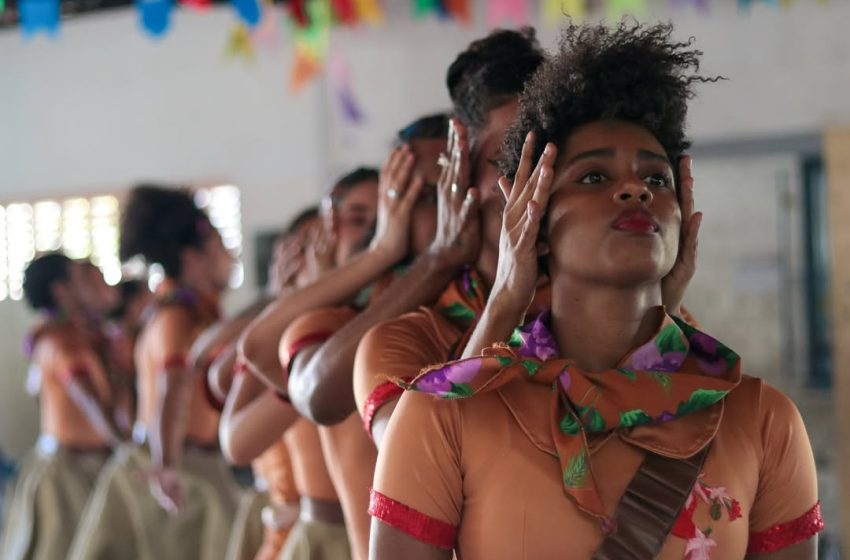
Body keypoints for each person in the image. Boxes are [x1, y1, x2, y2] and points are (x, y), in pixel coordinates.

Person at [369, 22, 822, 560]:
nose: (634, 189)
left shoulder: (761, 419)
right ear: (531, 224)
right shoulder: (443, 414)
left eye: (656, 179)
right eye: (592, 178)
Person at [68, 185, 240, 560]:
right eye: (221, 248)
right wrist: (166, 466)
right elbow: (172, 388)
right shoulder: (176, 318)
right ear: (193, 257)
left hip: (190, 463)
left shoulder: (190, 315)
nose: (232, 257)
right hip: (181, 467)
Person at [1, 254, 125, 560]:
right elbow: (92, 404)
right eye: (82, 278)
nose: (93, 284)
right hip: (70, 475)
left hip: (84, 465)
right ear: (62, 291)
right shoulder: (63, 343)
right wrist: (126, 452)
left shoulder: (76, 338)